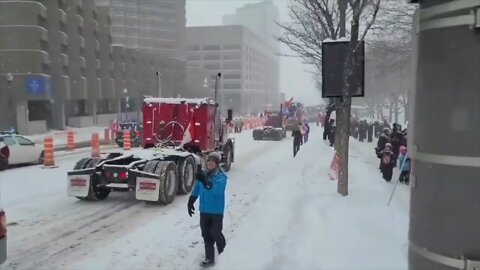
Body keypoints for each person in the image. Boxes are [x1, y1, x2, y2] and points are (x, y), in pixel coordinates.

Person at [188, 153, 228, 267]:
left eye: (213, 161)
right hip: (204, 211)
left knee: (215, 232)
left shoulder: (221, 177)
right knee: (206, 235)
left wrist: (206, 181)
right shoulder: (203, 175)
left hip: (216, 211)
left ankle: (224, 254)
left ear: (217, 164)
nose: (210, 163)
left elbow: (217, 191)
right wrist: (191, 201)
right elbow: (197, 189)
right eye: (209, 161)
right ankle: (209, 258)